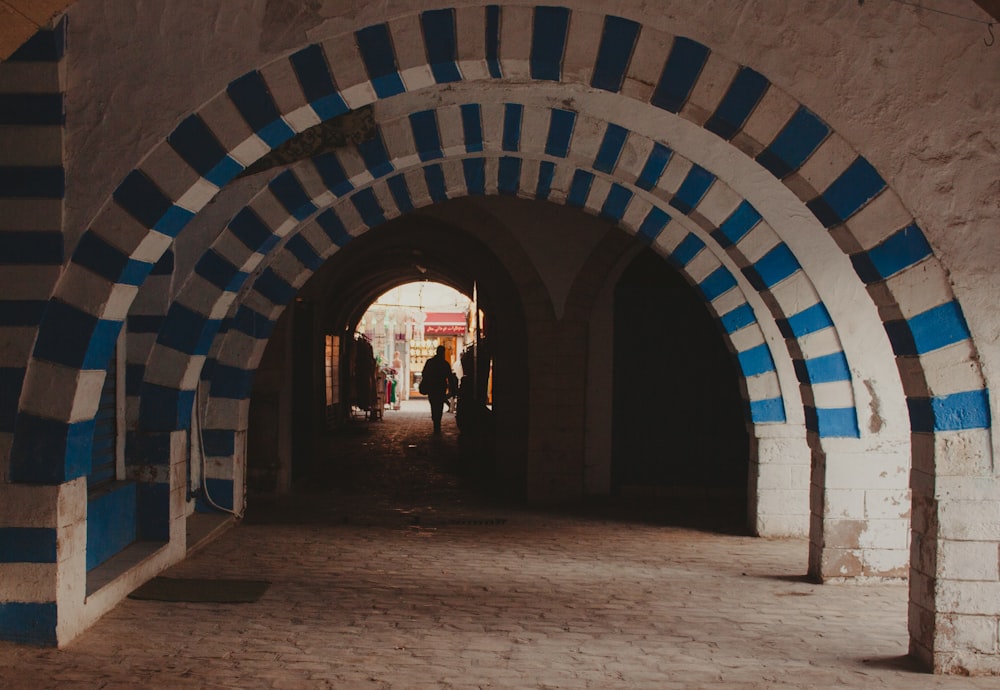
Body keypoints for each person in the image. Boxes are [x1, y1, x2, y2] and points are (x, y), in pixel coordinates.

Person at [420, 345, 453, 433]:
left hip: (432, 387)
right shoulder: (445, 364)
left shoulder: (430, 362)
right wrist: (451, 389)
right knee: (439, 405)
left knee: (433, 404)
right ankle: (437, 421)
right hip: (441, 387)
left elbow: (424, 373)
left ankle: (435, 420)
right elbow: (449, 376)